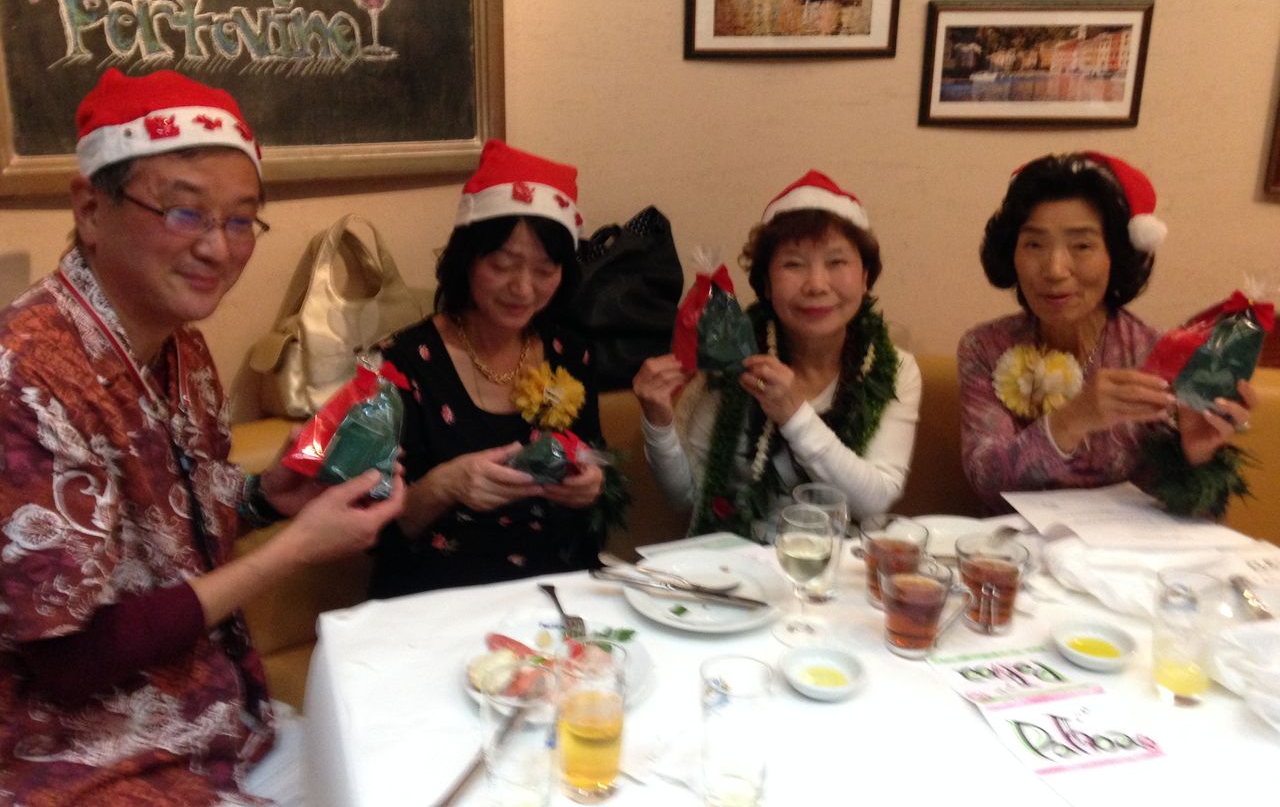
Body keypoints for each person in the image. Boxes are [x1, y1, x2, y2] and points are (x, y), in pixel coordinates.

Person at [0, 69, 406, 806]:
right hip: (88, 761)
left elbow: (168, 528)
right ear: (90, 209)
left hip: (221, 724)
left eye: (241, 220)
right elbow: (70, 657)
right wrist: (294, 549)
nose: (219, 249)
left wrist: (267, 498)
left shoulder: (180, 345)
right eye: (185, 213)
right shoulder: (25, 375)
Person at [370, 140, 620, 598]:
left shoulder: (570, 352)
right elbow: (376, 531)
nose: (523, 289)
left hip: (560, 594)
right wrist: (445, 485)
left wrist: (590, 487)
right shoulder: (404, 364)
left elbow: (595, 474)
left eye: (545, 269)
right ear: (467, 258)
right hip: (442, 601)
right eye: (503, 264)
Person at [958, 151, 1256, 513]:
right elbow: (986, 482)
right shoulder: (985, 347)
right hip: (1015, 544)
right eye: (1034, 244)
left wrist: (1198, 457)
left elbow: (1201, 518)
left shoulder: (1161, 355)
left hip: (1131, 549)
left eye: (1082, 246)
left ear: (1116, 255)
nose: (1054, 269)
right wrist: (1072, 419)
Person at [635, 171, 921, 538]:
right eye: (793, 264)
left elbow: (874, 501)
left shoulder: (895, 369)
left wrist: (793, 414)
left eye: (836, 262)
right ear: (767, 284)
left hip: (837, 560)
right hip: (735, 559)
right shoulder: (735, 356)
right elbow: (685, 496)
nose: (816, 285)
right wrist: (658, 421)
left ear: (865, 278)